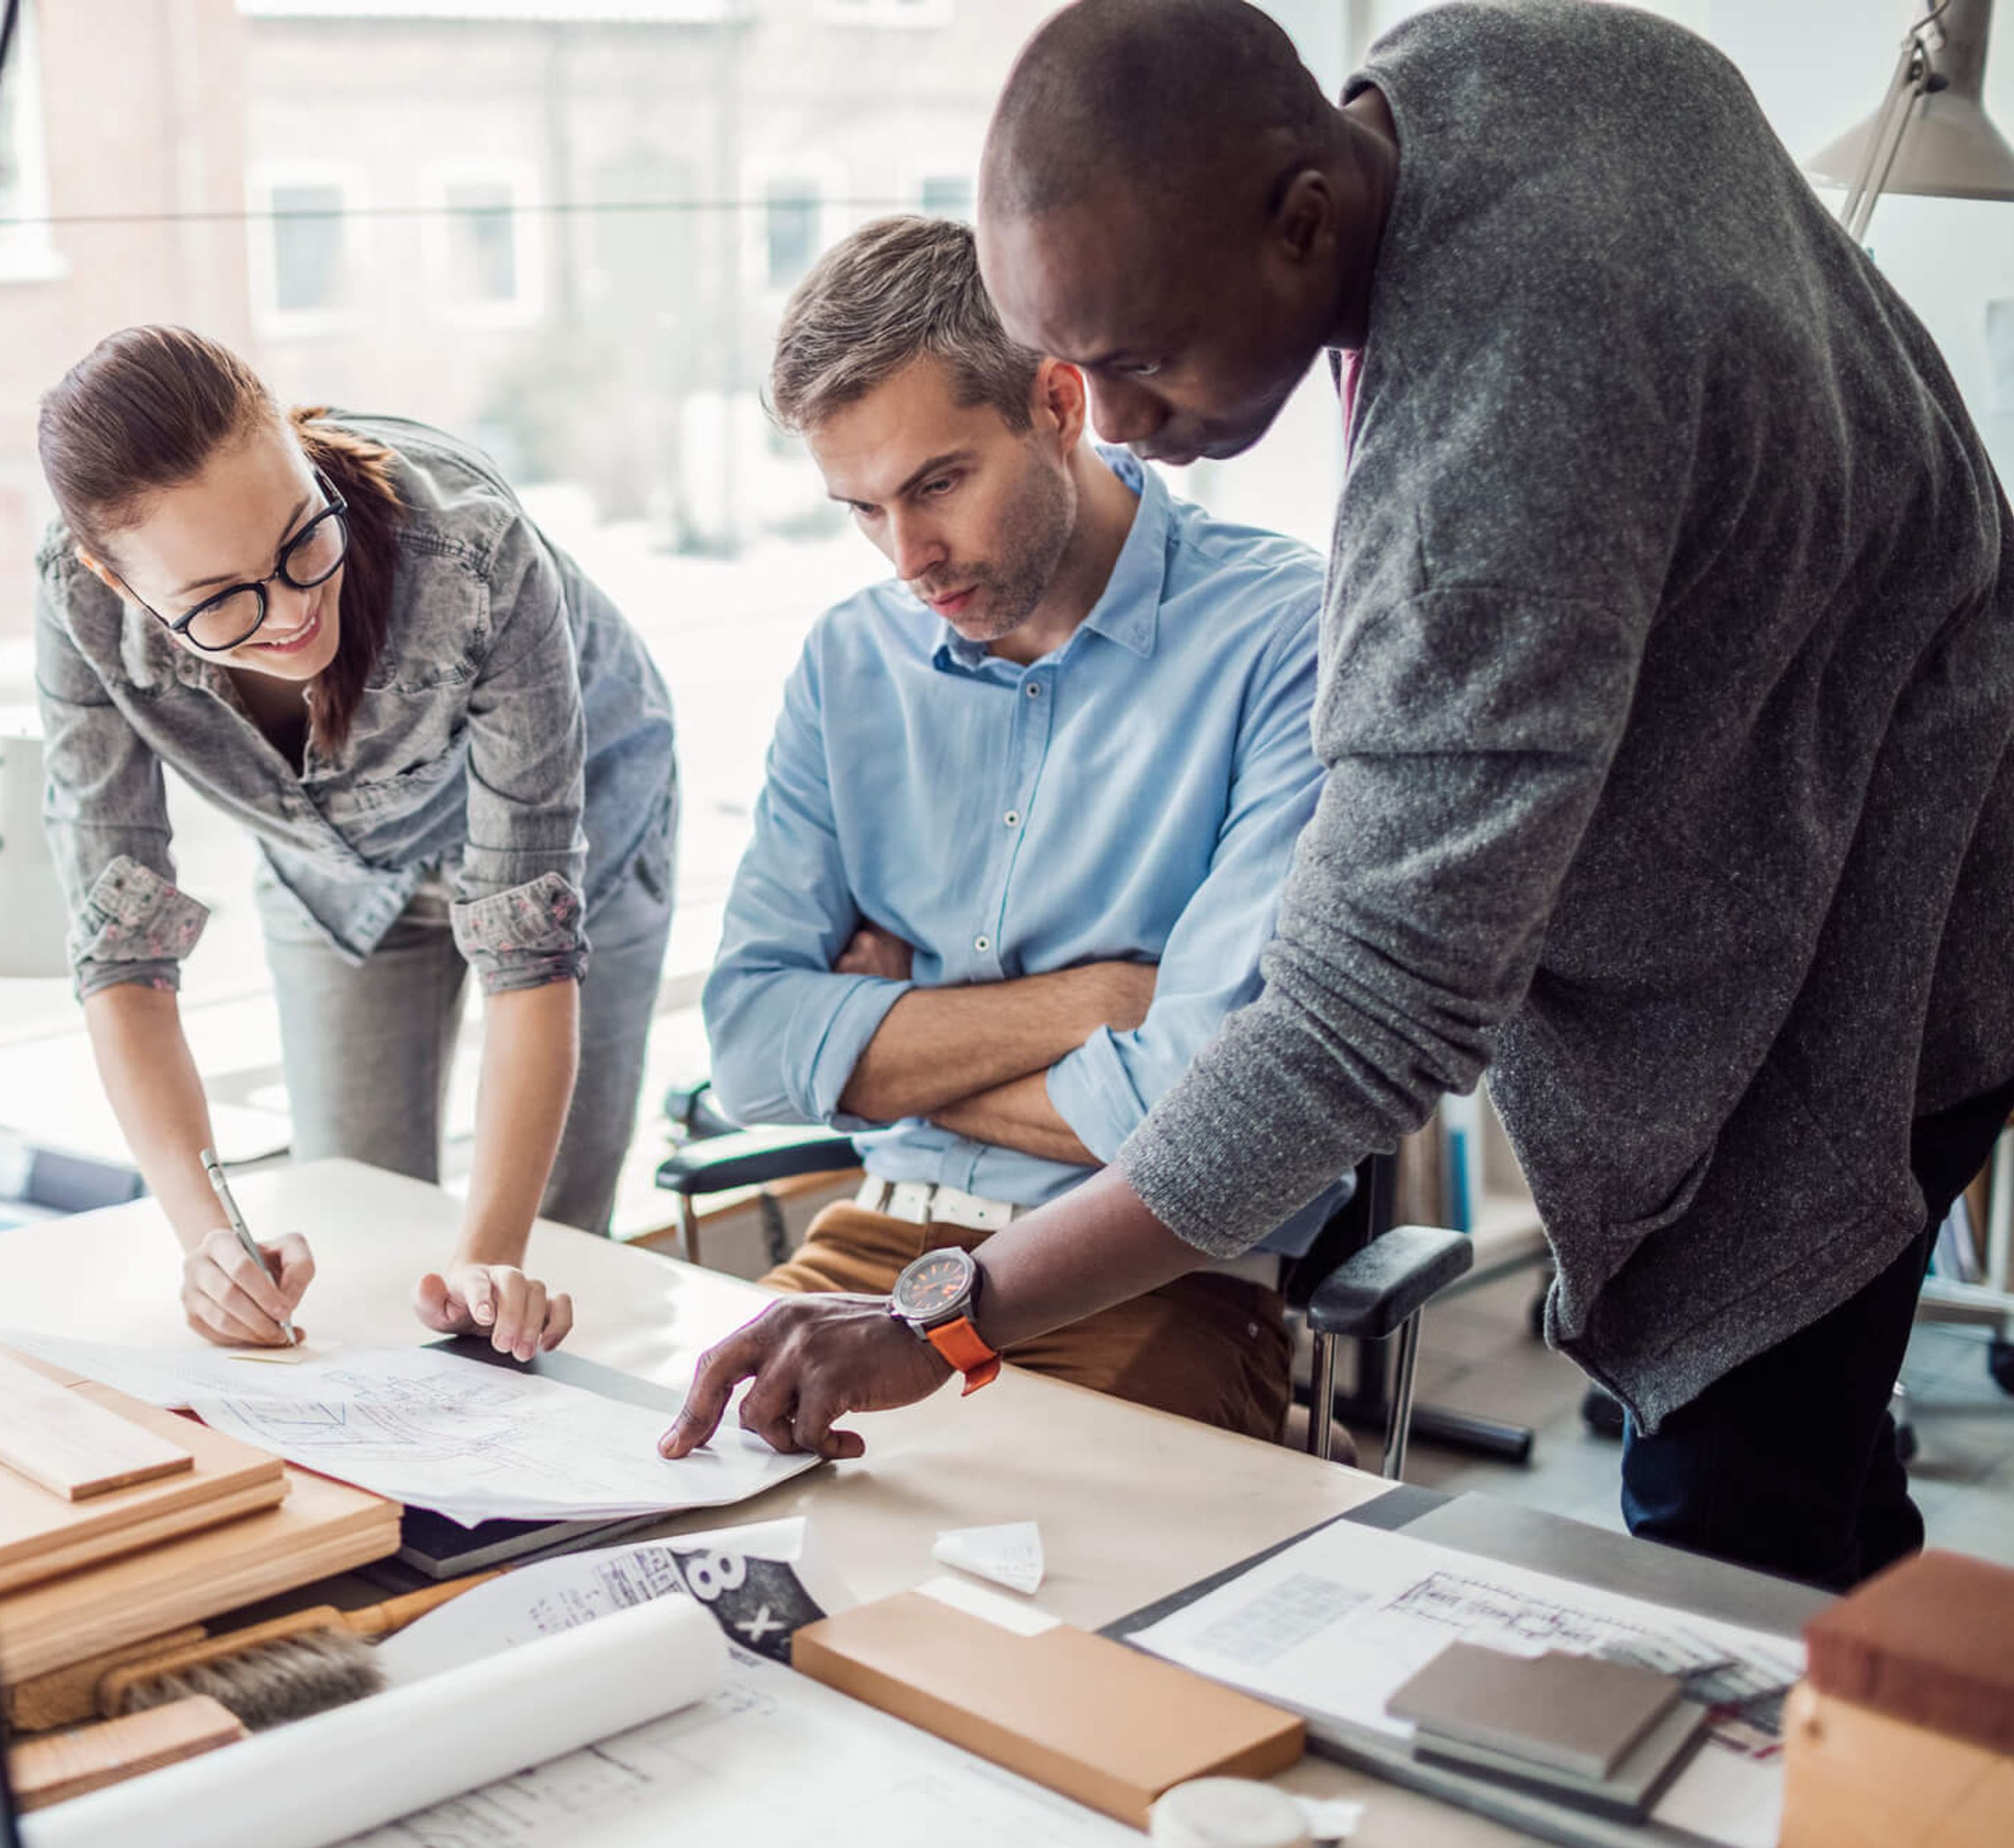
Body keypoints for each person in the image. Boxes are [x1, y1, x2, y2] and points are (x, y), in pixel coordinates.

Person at [661, 0, 2014, 1593]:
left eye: (1140, 362)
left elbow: (1352, 1030)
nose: (1116, 427)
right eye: (1077, 368)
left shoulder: (1477, 479)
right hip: (1914, 753)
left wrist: (940, 1296)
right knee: (1837, 1512)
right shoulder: (1492, 63)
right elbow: (758, 1034)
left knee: (1729, 1568)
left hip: (1857, 946)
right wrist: (1087, 1010)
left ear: (1305, 220)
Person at [704, 214, 1339, 1444]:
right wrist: (1098, 1004)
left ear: (1058, 402)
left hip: (1159, 1275)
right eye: (862, 510)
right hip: (866, 1247)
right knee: (678, 1554)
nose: (909, 557)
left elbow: (1206, 1112)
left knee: (1013, 1617)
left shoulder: (1289, 640)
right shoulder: (851, 661)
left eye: (938, 484)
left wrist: (882, 1057)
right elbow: (747, 1046)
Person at [35, 327, 679, 1359]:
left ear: (297, 445)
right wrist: (211, 1248)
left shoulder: (476, 553)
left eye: (303, 541)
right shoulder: (78, 609)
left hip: (578, 833)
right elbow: (123, 960)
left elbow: (529, 964)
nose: (291, 614)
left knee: (533, 1268)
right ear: (118, 587)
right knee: (359, 1226)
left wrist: (489, 1263)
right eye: (218, 602)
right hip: (332, 869)